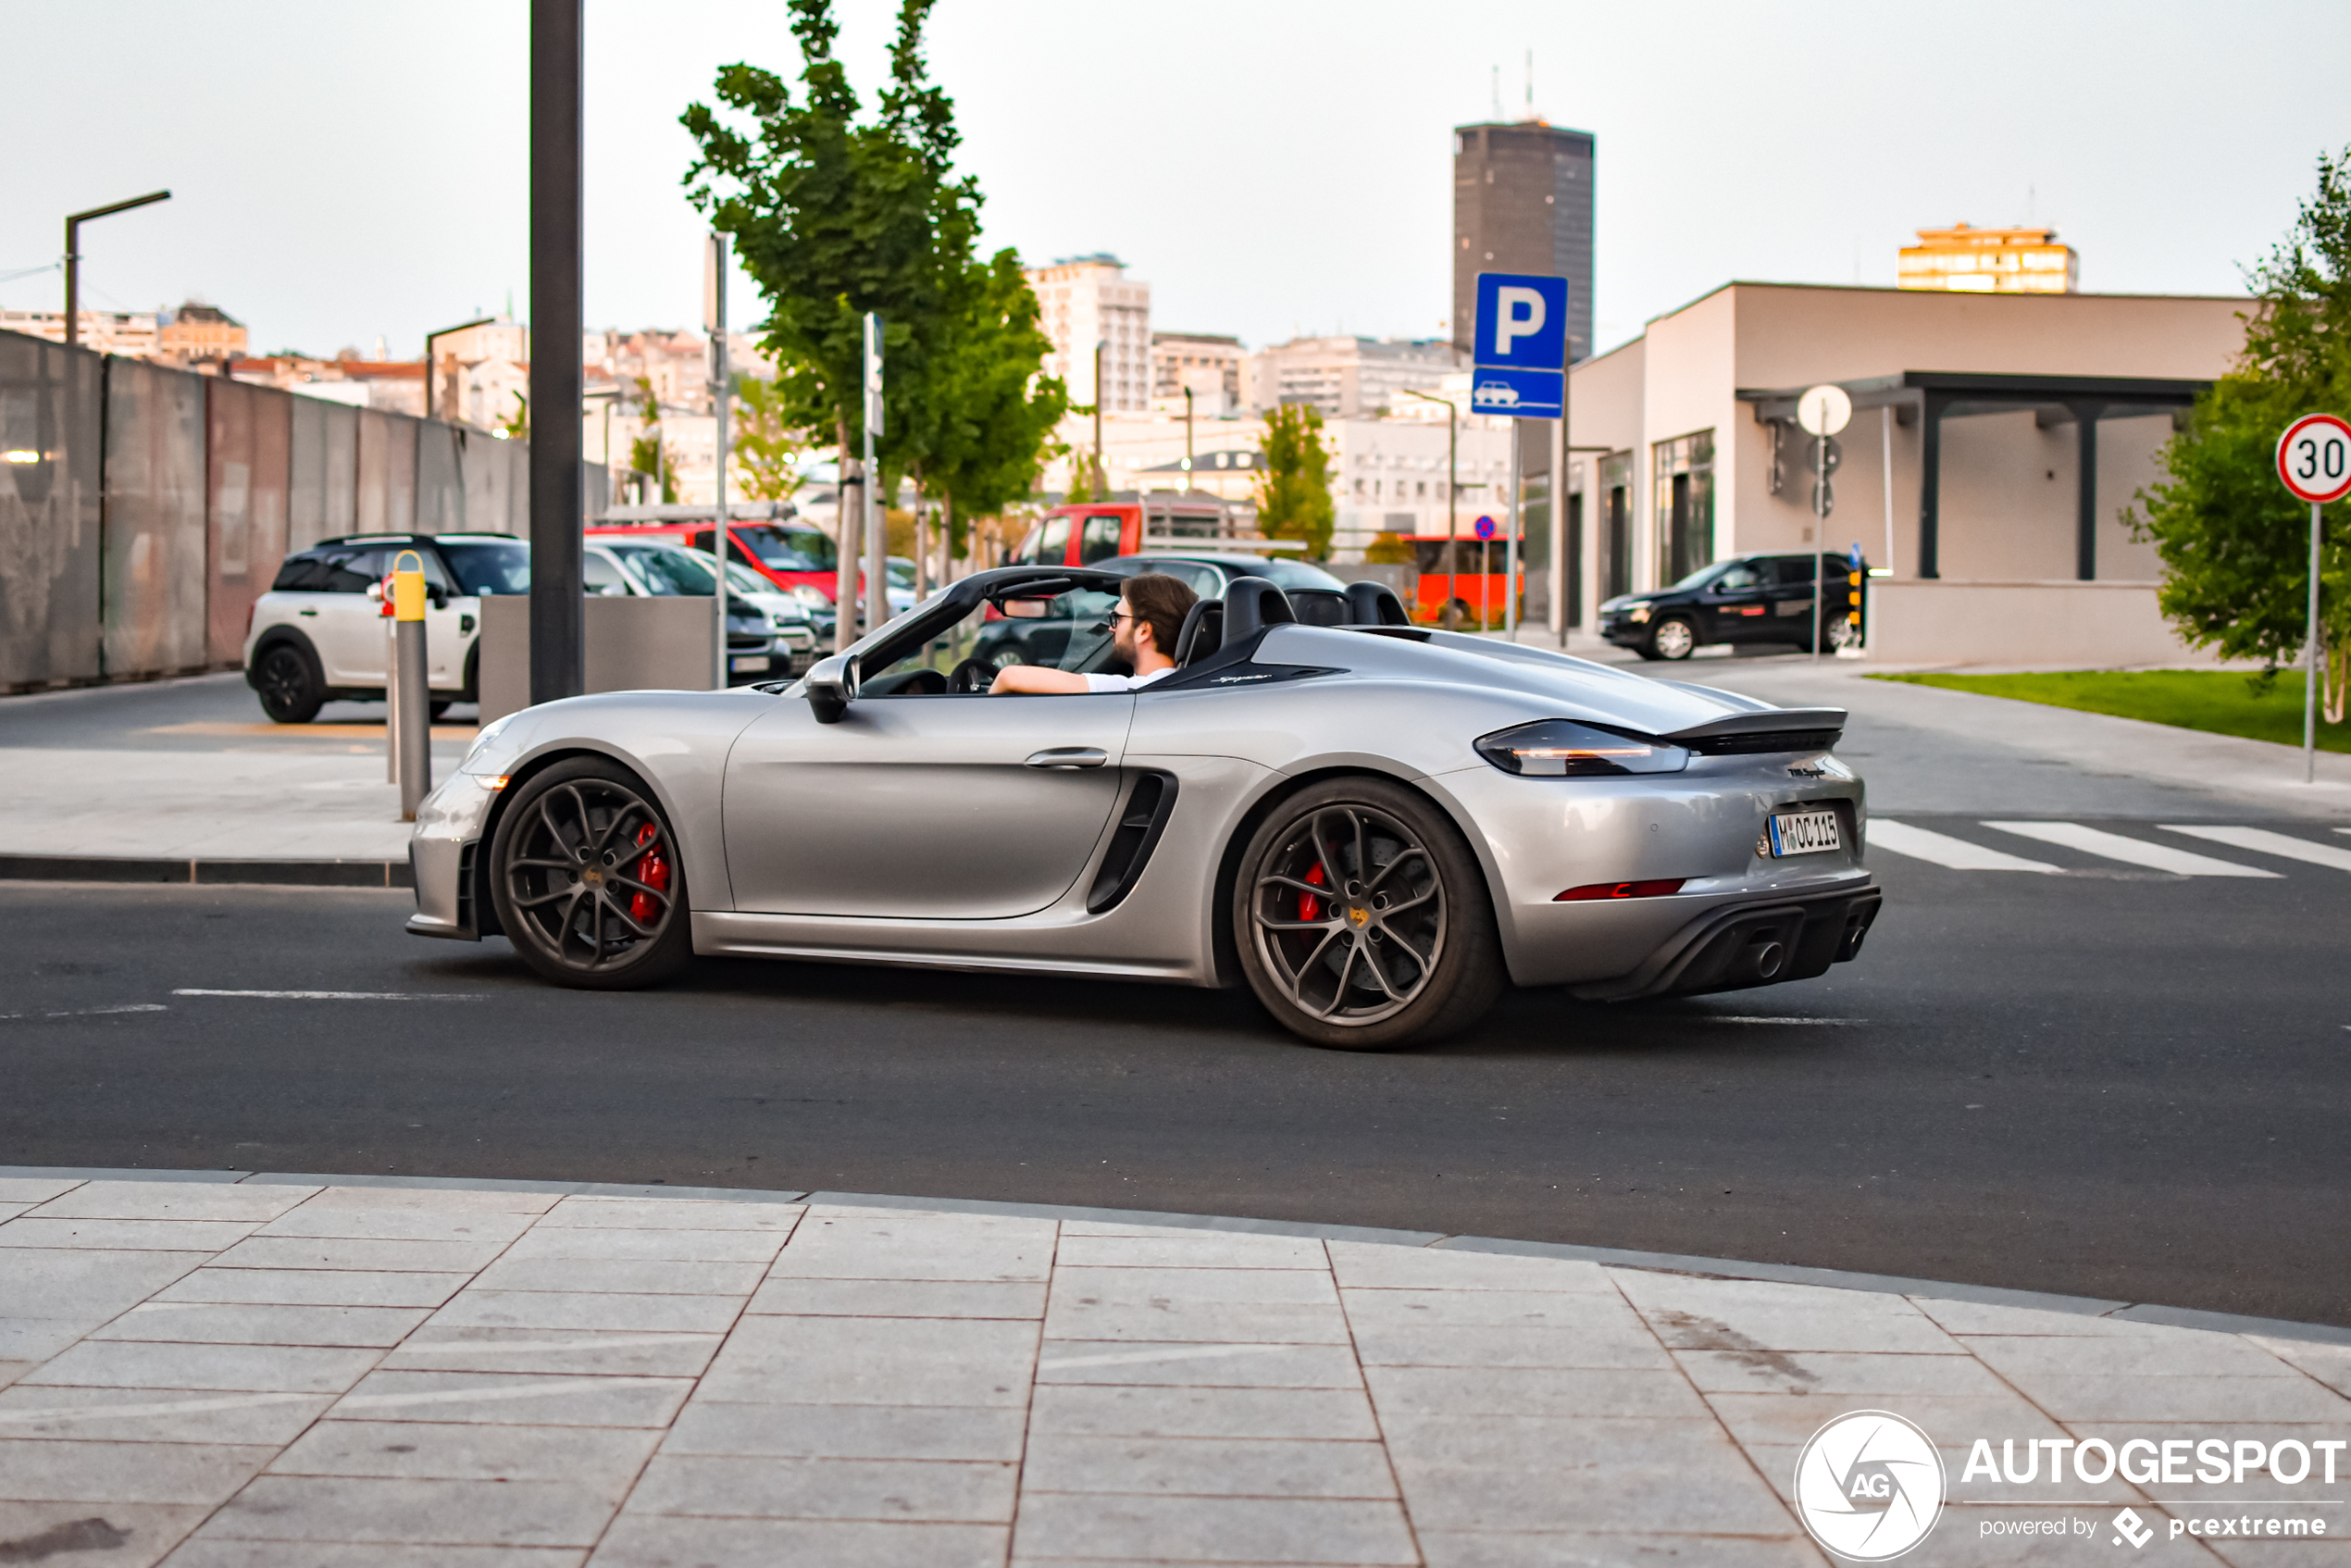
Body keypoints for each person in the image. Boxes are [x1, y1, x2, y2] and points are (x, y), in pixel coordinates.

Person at [990, 573, 1199, 694]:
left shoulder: (1130, 689)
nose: (1111, 628)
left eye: (1117, 619)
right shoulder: (1188, 687)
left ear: (1144, 631)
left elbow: (1010, 676)